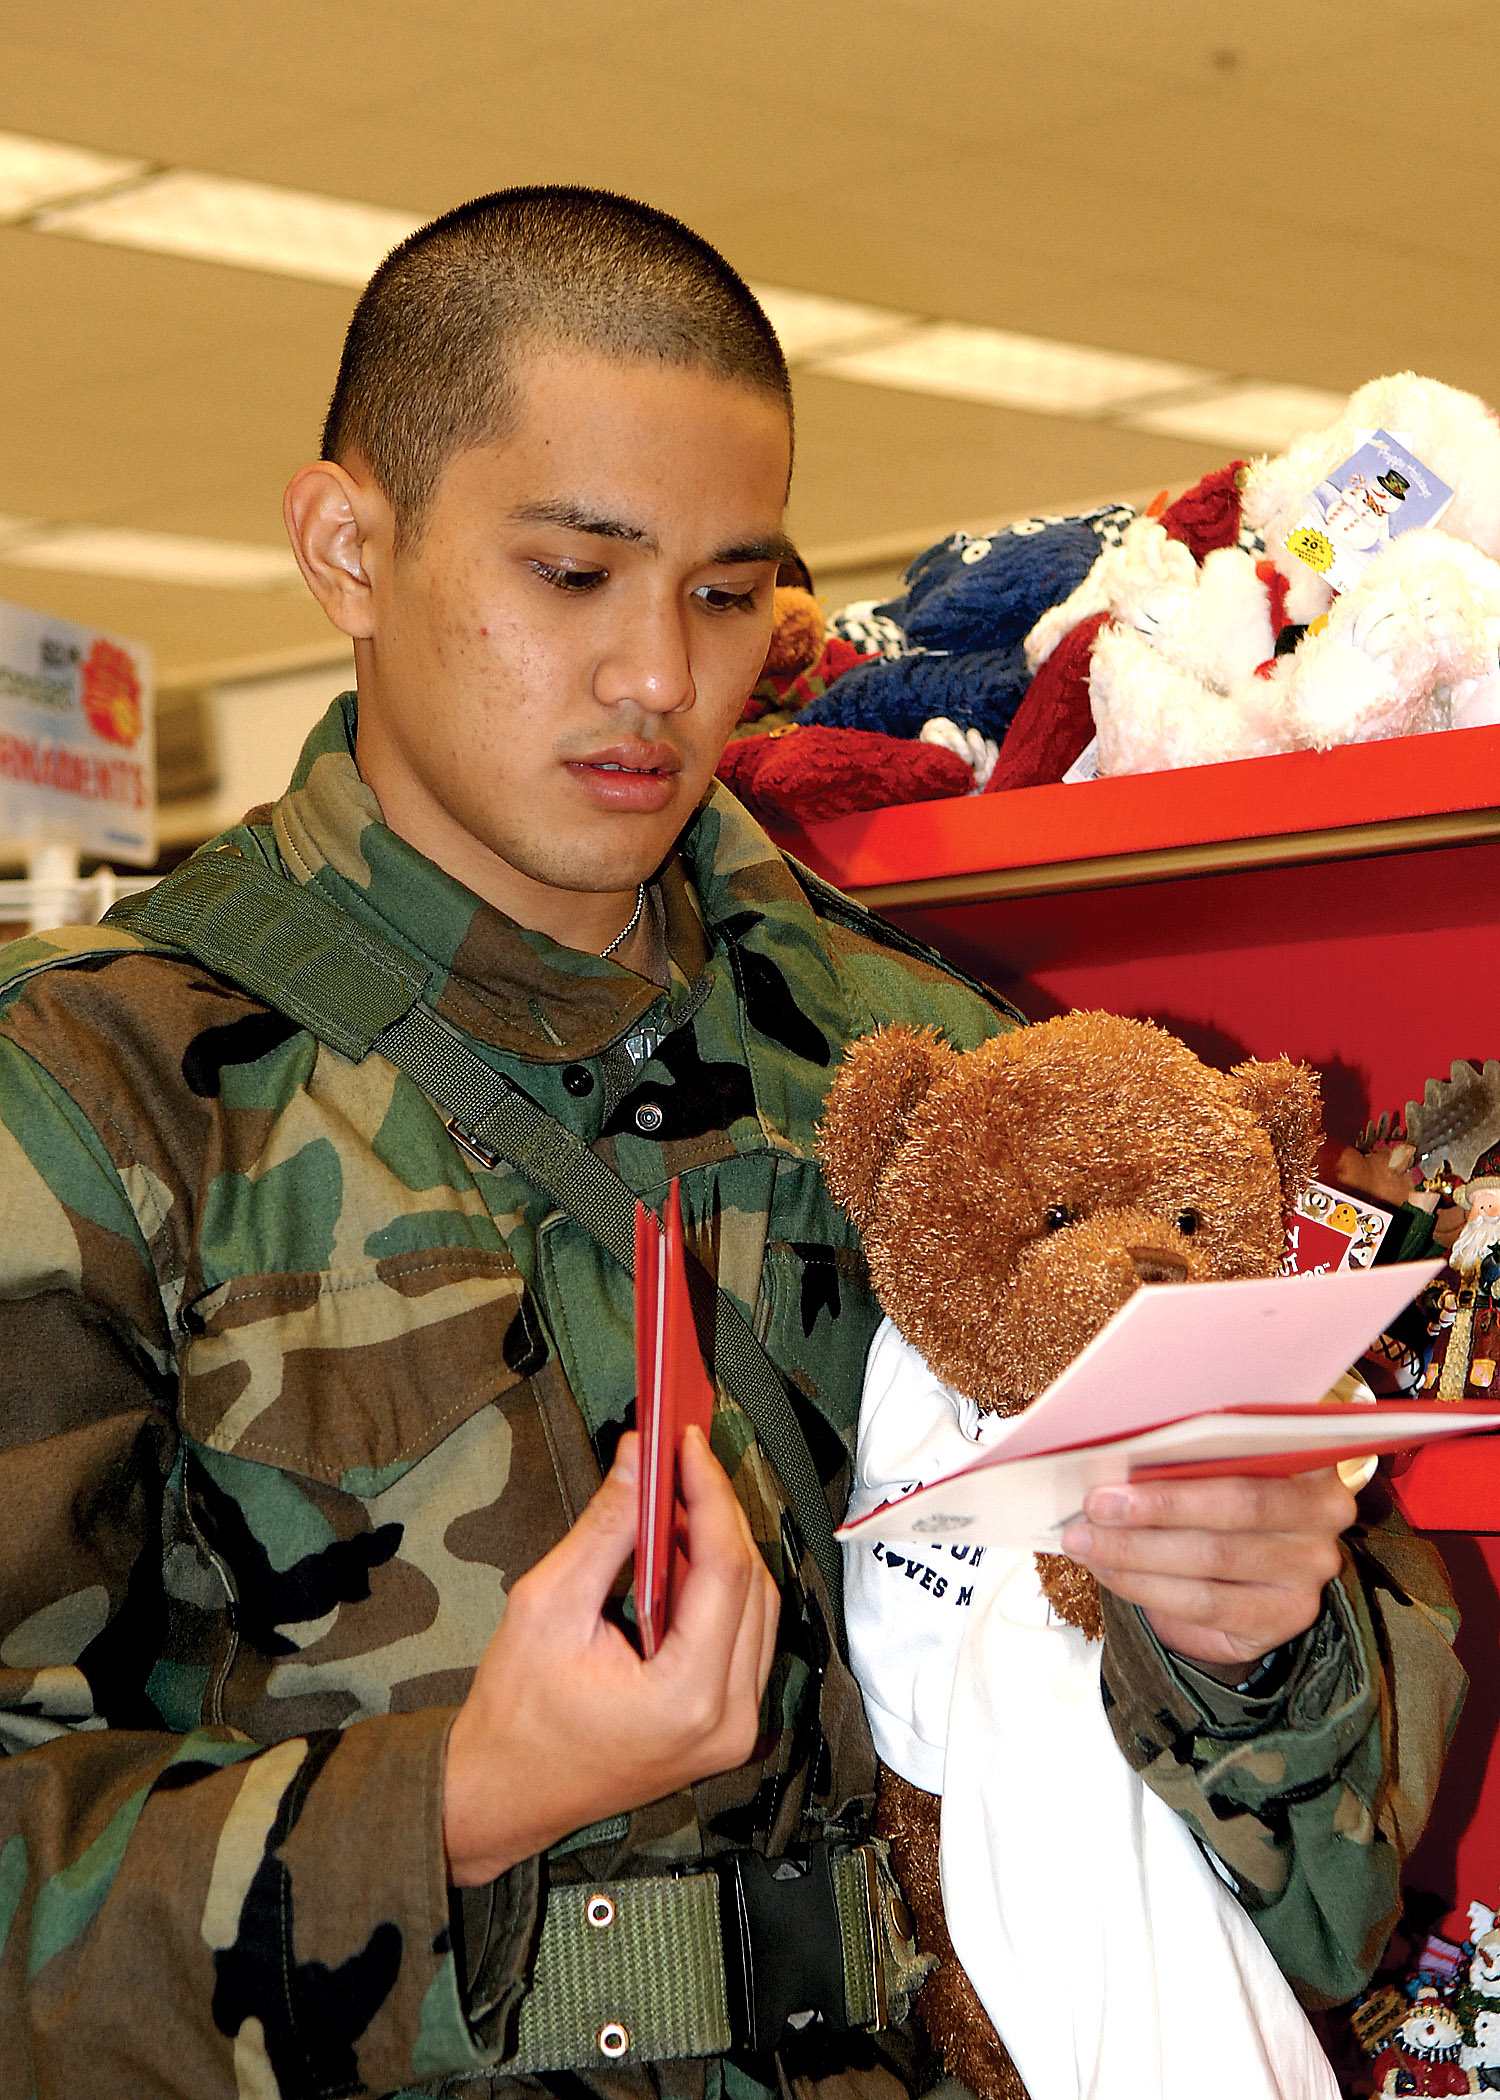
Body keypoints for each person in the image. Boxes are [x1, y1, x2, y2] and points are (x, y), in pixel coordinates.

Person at [0, 187, 1462, 2098]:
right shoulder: (95, 1086)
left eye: (720, 593)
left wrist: (1254, 1639)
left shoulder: (938, 1068)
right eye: (572, 576)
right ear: (347, 545)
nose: (658, 681)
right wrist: (455, 1803)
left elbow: (1327, 1907)